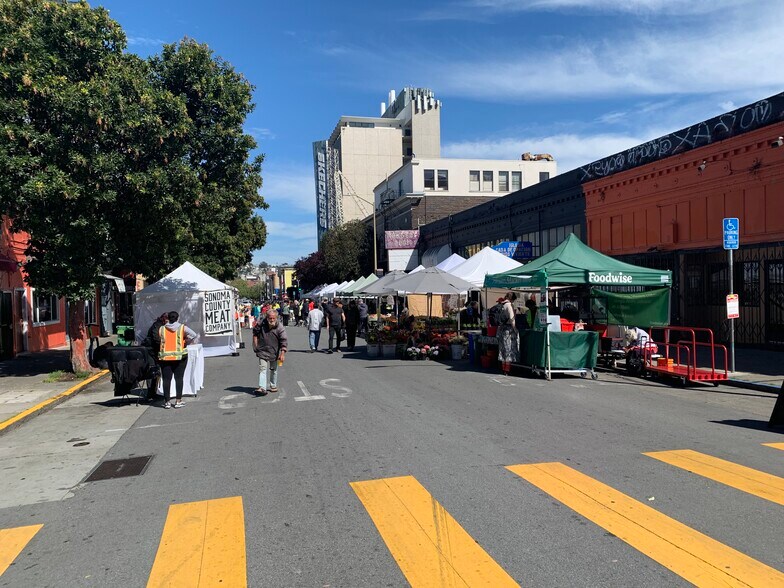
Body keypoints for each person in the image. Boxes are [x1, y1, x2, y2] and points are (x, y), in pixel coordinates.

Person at [158, 311, 199, 409]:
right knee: (179, 378)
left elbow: (161, 338)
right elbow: (193, 335)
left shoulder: (162, 329)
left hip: (165, 357)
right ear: (177, 318)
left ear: (167, 318)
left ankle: (167, 402)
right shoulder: (182, 328)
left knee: (166, 379)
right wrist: (185, 340)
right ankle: (178, 401)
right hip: (179, 357)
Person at [252, 309, 288, 395]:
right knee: (262, 369)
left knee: (273, 369)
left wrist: (282, 353)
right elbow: (255, 333)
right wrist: (255, 345)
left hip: (274, 351)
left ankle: (273, 385)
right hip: (262, 350)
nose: (271, 320)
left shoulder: (280, 327)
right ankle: (262, 388)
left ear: (276, 318)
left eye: (273, 318)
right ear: (267, 317)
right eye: (270, 318)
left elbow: (284, 340)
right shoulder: (261, 323)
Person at [141, 312, 168, 401]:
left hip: (153, 351)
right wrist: (165, 344)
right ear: (164, 318)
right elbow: (156, 338)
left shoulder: (160, 325)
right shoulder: (157, 325)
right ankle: (150, 394)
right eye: (167, 320)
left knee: (155, 371)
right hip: (150, 351)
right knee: (152, 371)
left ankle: (153, 392)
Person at [497, 292, 519, 375]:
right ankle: (507, 369)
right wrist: (515, 329)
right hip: (508, 330)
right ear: (512, 299)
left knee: (503, 349)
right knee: (508, 349)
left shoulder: (501, 304)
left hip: (501, 329)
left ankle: (503, 368)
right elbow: (512, 318)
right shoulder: (509, 305)